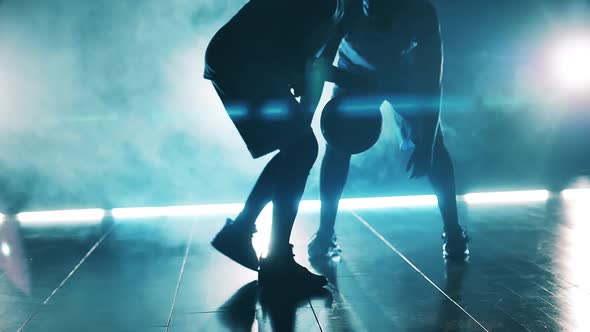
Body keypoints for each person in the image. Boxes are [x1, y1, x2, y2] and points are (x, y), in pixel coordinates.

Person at [308, 0, 469, 260]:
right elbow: (320, 64)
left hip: (402, 75)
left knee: (434, 145)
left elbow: (431, 84)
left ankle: (453, 232)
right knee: (338, 146)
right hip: (354, 74)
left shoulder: (420, 12)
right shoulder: (346, 7)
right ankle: (325, 233)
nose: (373, 9)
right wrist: (349, 83)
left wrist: (426, 145)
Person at [204, 0, 349, 290]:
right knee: (301, 148)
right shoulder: (333, 5)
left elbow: (313, 63)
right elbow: (311, 63)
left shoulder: (341, 7)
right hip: (242, 60)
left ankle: (246, 234)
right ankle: (275, 259)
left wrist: (303, 118)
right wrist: (351, 79)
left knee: (298, 147)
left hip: (237, 57)